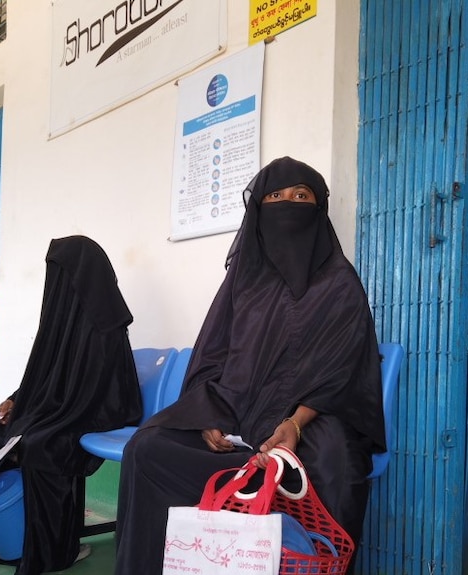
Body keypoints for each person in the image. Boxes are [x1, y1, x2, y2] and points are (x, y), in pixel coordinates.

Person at [113, 157, 385, 575]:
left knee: (337, 463)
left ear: (319, 208)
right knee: (147, 449)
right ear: (258, 210)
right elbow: (213, 356)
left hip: (308, 423)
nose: (288, 205)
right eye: (275, 197)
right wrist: (209, 416)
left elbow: (342, 369)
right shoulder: (243, 279)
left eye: (301, 196)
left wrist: (293, 426)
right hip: (237, 414)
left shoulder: (339, 283)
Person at [0, 235, 143, 574]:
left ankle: (53, 551)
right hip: (61, 407)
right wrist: (16, 402)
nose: (54, 281)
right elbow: (46, 378)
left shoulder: (106, 328)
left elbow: (94, 390)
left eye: (59, 272)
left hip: (101, 410)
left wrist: (40, 417)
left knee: (40, 443)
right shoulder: (58, 322)